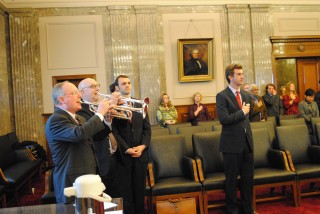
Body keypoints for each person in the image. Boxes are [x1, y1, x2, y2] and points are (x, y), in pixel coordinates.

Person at [45, 81, 114, 203]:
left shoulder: (79, 118)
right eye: (74, 93)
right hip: (72, 182)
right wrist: (100, 113)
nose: (79, 96)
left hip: (88, 178)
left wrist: (107, 121)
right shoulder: (56, 120)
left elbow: (94, 137)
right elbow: (79, 134)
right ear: (61, 99)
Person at [216, 63, 255, 214]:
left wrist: (245, 113)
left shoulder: (245, 95)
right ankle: (232, 210)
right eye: (239, 74)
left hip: (247, 143)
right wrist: (242, 112)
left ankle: (247, 209)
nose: (242, 76)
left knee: (247, 180)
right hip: (231, 145)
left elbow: (247, 119)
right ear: (230, 77)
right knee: (231, 180)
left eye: (242, 73)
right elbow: (224, 119)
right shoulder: (222, 96)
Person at [111, 75, 151, 214]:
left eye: (128, 83)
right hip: (123, 156)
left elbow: (147, 129)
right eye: (123, 83)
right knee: (126, 191)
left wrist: (143, 146)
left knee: (140, 190)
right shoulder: (113, 106)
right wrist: (126, 149)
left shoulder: (140, 104)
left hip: (140, 155)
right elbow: (113, 131)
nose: (127, 85)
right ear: (117, 87)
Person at [77, 78, 122, 197]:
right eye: (92, 86)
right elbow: (95, 136)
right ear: (82, 92)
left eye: (97, 85)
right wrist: (104, 118)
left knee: (116, 197)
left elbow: (108, 129)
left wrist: (109, 120)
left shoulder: (97, 107)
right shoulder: (80, 111)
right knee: (105, 200)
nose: (97, 89)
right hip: (100, 162)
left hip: (111, 158)